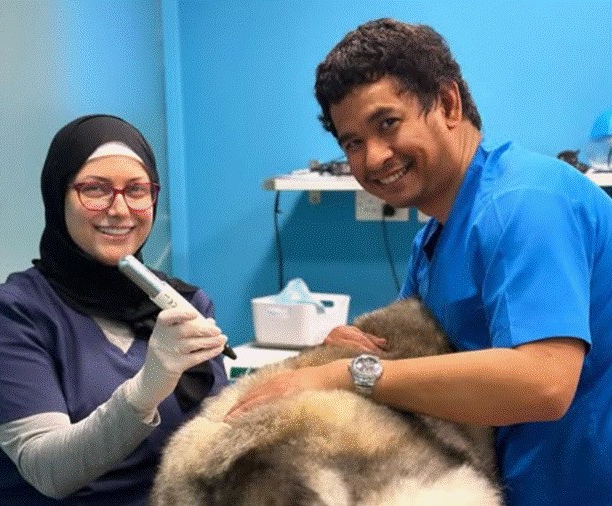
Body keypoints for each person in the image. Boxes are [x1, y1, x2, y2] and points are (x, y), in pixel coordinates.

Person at [226, 18, 612, 505]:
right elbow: (422, 363)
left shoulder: (526, 202)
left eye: (387, 124)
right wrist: (355, 346)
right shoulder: (433, 237)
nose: (373, 158)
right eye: (352, 143)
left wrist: (353, 373)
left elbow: (543, 383)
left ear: (448, 104)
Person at [0, 114, 229, 505]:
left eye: (137, 190)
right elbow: (49, 472)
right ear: (57, 196)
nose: (119, 210)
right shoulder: (11, 315)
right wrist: (147, 386)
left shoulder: (183, 303)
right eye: (95, 189)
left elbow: (217, 432)